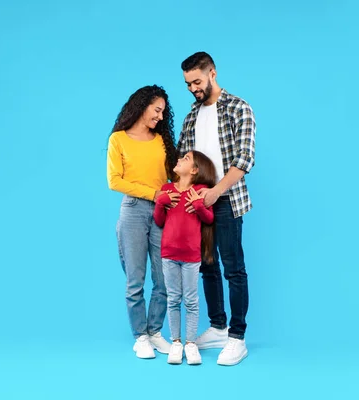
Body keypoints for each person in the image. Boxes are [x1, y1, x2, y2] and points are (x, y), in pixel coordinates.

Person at [176, 52, 256, 366]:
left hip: (226, 199)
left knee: (233, 267)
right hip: (197, 201)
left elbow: (244, 160)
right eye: (188, 84)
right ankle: (218, 326)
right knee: (207, 265)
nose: (193, 88)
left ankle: (237, 338)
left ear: (212, 72)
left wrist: (215, 193)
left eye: (197, 81)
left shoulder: (239, 107)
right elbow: (184, 157)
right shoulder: (191, 115)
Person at [107, 85, 177, 359]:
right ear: (142, 105)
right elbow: (115, 181)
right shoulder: (118, 140)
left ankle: (155, 331)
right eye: (157, 110)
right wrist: (154, 194)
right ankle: (140, 336)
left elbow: (174, 175)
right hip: (133, 211)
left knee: (164, 280)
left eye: (163, 113)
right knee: (135, 280)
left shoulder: (161, 140)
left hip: (163, 213)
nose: (160, 117)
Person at [153, 150, 216, 365]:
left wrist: (199, 205)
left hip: (191, 256)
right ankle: (176, 342)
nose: (179, 159)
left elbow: (209, 218)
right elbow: (159, 221)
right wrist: (160, 202)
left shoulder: (201, 191)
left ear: (194, 170)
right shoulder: (167, 190)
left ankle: (190, 344)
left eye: (186, 159)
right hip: (169, 254)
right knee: (173, 298)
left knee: (191, 300)